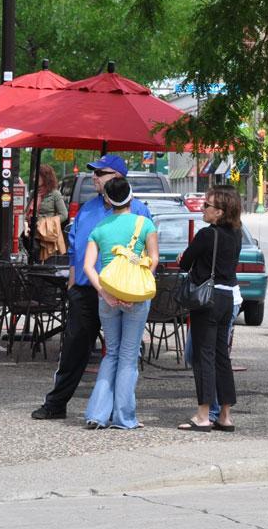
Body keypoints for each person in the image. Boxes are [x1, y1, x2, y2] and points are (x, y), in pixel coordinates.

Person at [32, 154, 154, 421]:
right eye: (94, 173)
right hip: (87, 290)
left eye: (101, 173)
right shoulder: (87, 208)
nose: (94, 178)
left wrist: (135, 288)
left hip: (122, 292)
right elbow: (76, 247)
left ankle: (118, 411)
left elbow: (148, 251)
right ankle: (57, 402)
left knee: (123, 353)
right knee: (75, 347)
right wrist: (73, 284)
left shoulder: (139, 210)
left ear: (118, 178)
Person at [81, 175, 158, 430]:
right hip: (135, 296)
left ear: (107, 199)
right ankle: (124, 418)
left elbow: (88, 266)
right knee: (128, 356)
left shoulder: (99, 229)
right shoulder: (145, 224)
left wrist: (105, 293)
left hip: (108, 297)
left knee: (111, 354)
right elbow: (154, 260)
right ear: (131, 196)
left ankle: (97, 414)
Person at [176, 186, 243, 432]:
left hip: (208, 299)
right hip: (228, 298)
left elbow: (185, 262)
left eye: (207, 205)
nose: (203, 208)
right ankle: (225, 415)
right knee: (222, 357)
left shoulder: (207, 235)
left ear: (220, 212)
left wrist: (185, 257)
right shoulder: (237, 233)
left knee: (204, 357)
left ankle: (203, 415)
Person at [31, 164, 68, 261]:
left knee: (48, 264)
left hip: (47, 236)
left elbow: (64, 215)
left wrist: (46, 222)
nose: (34, 179)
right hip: (33, 235)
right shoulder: (33, 193)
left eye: (37, 177)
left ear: (45, 177)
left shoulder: (55, 194)